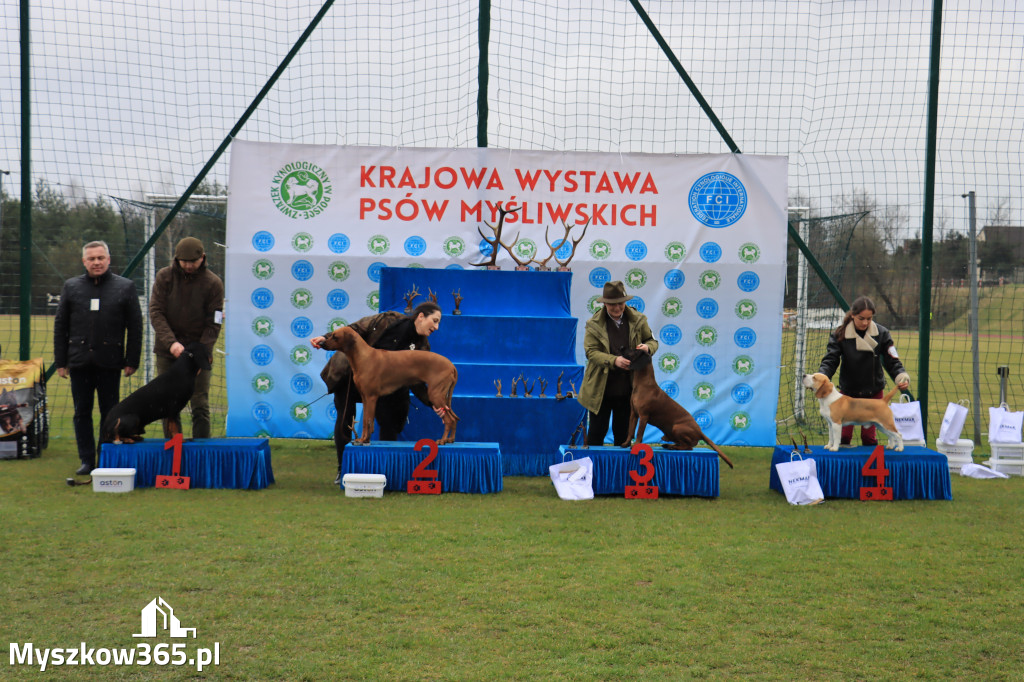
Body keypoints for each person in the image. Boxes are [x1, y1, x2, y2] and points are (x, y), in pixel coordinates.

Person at [311, 302, 446, 484]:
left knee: (391, 422)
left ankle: (384, 470)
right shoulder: (387, 320)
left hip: (387, 384)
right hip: (352, 376)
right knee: (345, 417)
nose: (437, 327)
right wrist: (326, 338)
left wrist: (434, 403)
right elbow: (353, 329)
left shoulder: (422, 347)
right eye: (434, 321)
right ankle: (343, 469)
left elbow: (417, 381)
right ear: (420, 316)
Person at [53, 241, 142, 475]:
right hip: (79, 361)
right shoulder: (71, 287)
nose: (96, 262)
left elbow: (135, 327)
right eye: (91, 259)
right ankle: (86, 459)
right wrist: (61, 361)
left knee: (110, 411)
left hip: (110, 361)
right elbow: (60, 325)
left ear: (109, 259)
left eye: (100, 258)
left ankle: (106, 456)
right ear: (84, 261)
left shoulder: (126, 287)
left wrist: (131, 360)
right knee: (81, 411)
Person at [149, 237, 224, 439]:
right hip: (167, 352)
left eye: (193, 261)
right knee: (168, 403)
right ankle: (174, 451)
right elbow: (156, 312)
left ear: (203, 258)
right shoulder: (164, 277)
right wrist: (171, 343)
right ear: (177, 259)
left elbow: (214, 322)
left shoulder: (214, 283)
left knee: (200, 404)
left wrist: (201, 352)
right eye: (184, 261)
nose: (188, 265)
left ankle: (201, 451)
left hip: (198, 353)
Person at [817, 295, 911, 446]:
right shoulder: (839, 335)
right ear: (853, 315)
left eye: (869, 318)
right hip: (848, 393)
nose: (865, 322)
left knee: (869, 438)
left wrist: (901, 376)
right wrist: (822, 375)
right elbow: (831, 359)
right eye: (861, 318)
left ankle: (871, 467)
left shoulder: (882, 333)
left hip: (873, 392)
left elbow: (892, 359)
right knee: (843, 438)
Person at [578, 280, 658, 446]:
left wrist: (647, 348)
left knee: (623, 437)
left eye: (620, 303)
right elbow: (591, 352)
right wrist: (614, 360)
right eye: (611, 304)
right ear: (604, 303)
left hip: (629, 390)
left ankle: (622, 472)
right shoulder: (593, 324)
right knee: (595, 435)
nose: (616, 308)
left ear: (625, 302)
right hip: (600, 390)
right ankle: (594, 471)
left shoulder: (639, 319)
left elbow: (652, 341)